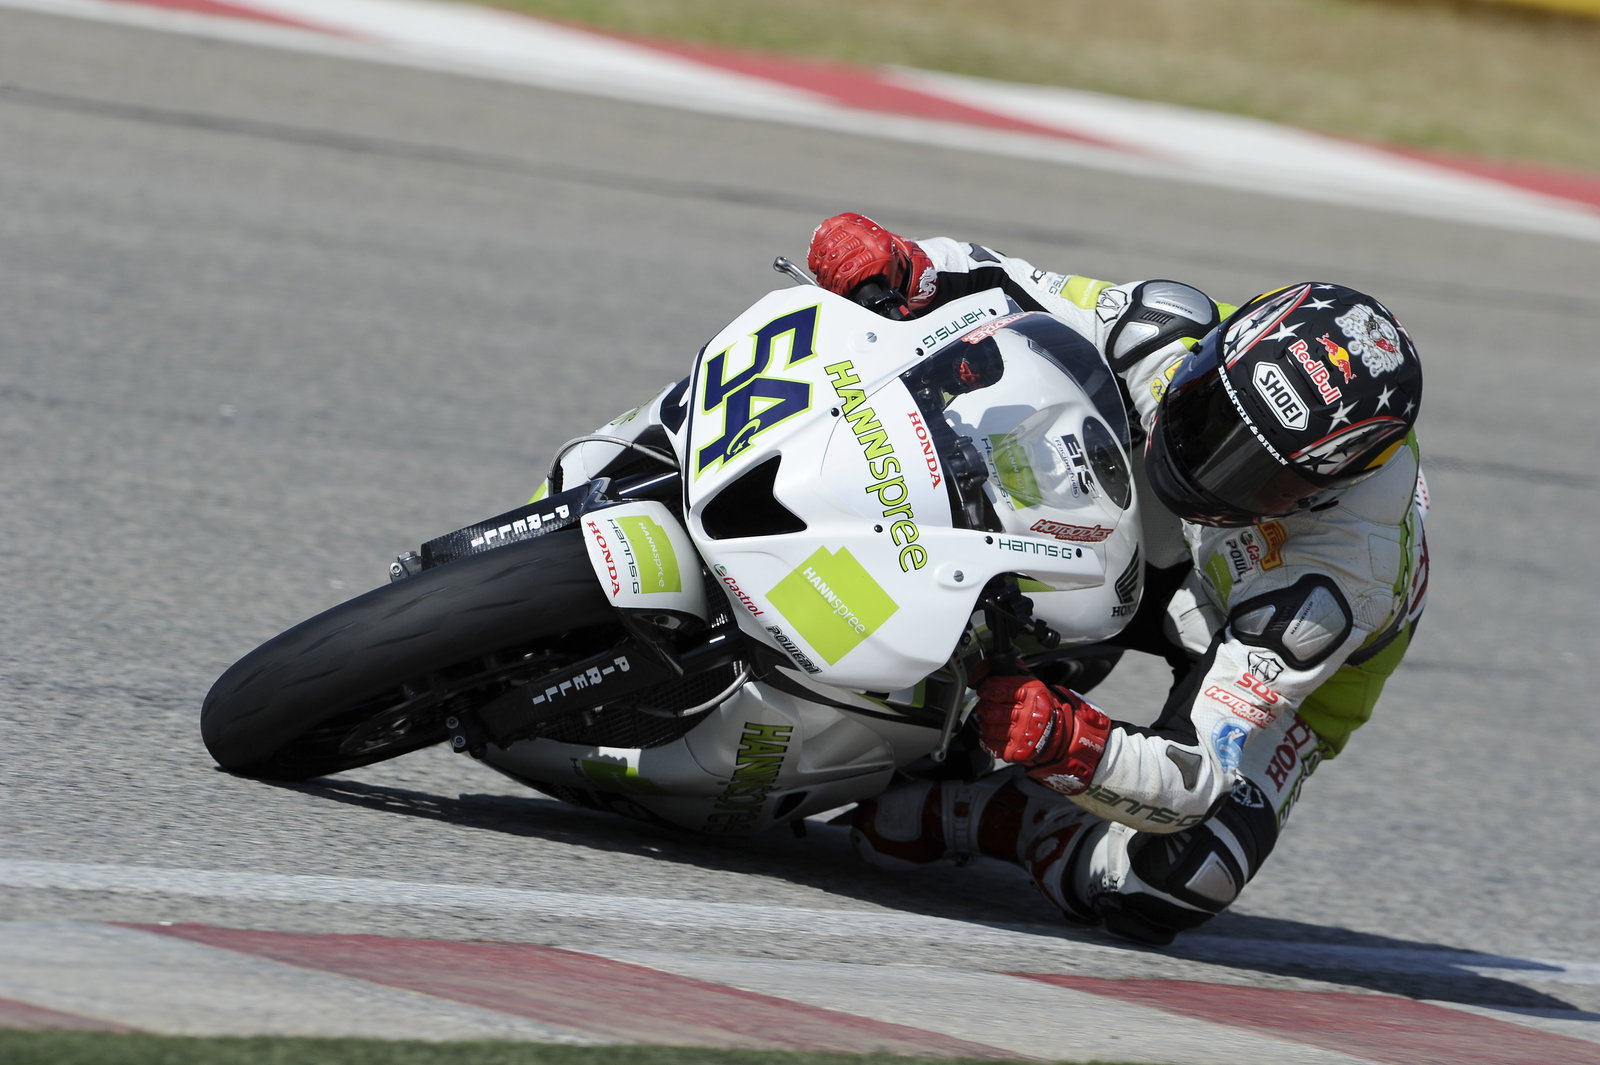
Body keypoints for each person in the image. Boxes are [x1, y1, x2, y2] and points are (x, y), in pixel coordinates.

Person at [807, 212, 1430, 944]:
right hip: (1152, 543)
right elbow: (1004, 281)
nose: (1204, 463)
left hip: (1256, 648)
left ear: (1319, 492)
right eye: (1209, 410)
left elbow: (1200, 775)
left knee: (1184, 875)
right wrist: (903, 264)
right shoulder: (1175, 329)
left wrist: (1067, 740)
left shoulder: (1334, 581)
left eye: (1252, 474)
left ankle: (995, 815)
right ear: (1224, 349)